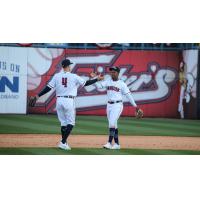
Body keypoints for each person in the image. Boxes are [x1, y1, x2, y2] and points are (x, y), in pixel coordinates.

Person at [29, 59, 104, 150]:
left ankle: (64, 143)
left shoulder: (57, 76)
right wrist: (96, 79)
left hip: (59, 101)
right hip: (69, 101)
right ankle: (63, 142)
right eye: (70, 65)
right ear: (68, 66)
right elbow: (86, 84)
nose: (70, 67)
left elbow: (48, 88)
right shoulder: (74, 76)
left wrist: (37, 96)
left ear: (62, 66)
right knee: (71, 123)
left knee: (63, 123)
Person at [92, 66, 143, 150]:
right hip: (109, 105)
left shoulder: (122, 84)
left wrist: (136, 106)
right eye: (111, 72)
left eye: (114, 72)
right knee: (113, 125)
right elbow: (99, 86)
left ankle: (109, 143)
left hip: (117, 105)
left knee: (112, 123)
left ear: (118, 73)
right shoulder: (108, 81)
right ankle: (117, 144)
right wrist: (94, 78)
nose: (112, 73)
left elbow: (128, 96)